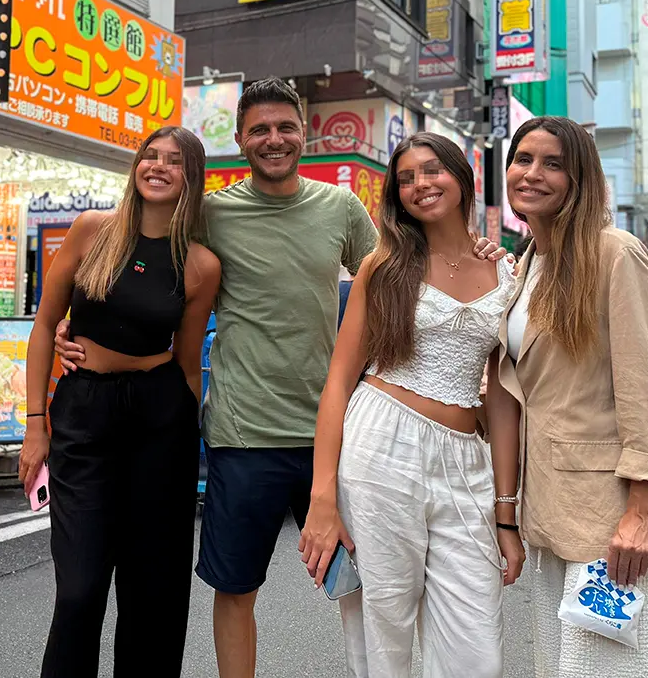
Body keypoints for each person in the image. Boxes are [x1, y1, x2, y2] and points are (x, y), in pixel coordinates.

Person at [56, 79, 507, 678]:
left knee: (364, 588)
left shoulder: (341, 209)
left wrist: (474, 252)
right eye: (260, 130)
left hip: (342, 433)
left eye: (285, 127)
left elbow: (407, 270)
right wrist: (75, 329)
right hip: (244, 434)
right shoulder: (210, 214)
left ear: (304, 133)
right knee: (236, 587)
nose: (274, 140)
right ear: (240, 139)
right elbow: (141, 269)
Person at [489, 117, 648, 677]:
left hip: (612, 513)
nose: (532, 173)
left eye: (553, 164)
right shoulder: (531, 263)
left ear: (580, 178)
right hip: (555, 502)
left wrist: (642, 509)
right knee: (570, 664)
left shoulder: (613, 252)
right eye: (522, 159)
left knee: (617, 666)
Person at [300, 133, 522, 678]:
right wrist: (321, 497)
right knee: (385, 628)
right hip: (381, 446)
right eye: (405, 178)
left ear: (462, 176)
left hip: (467, 460)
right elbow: (338, 382)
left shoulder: (509, 271)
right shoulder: (385, 264)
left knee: (479, 652)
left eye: (432, 171)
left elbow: (502, 399)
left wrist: (506, 512)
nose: (420, 185)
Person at [18, 126, 221, 678]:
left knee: (153, 587)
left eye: (173, 161)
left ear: (190, 177)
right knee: (80, 588)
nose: (157, 166)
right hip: (84, 411)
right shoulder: (92, 231)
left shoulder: (200, 264)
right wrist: (36, 424)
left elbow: (186, 361)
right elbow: (43, 327)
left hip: (161, 419)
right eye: (149, 156)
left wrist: (192, 433)